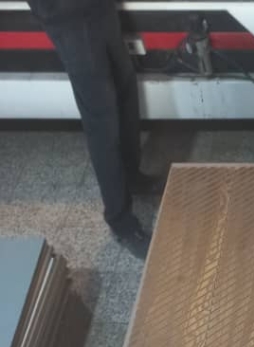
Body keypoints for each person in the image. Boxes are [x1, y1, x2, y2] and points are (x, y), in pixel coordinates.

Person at [27, 0, 161, 258]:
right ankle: (120, 221)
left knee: (125, 93)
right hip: (69, 19)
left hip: (100, 8)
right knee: (102, 121)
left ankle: (132, 177)